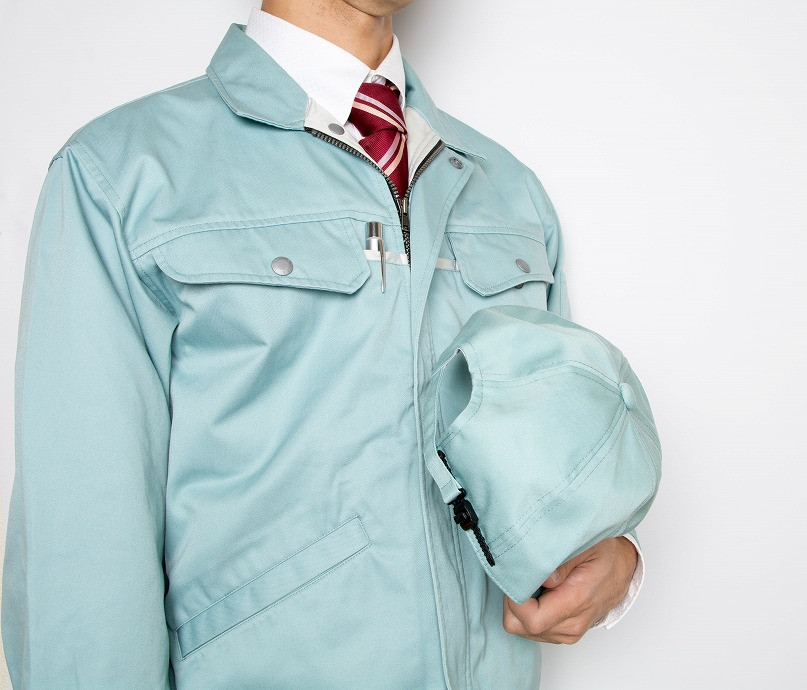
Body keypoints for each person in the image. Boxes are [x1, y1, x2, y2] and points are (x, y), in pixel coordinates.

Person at [2, 1, 649, 687]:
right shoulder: (123, 177)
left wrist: (618, 560)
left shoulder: (509, 191)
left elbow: (560, 462)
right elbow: (82, 556)